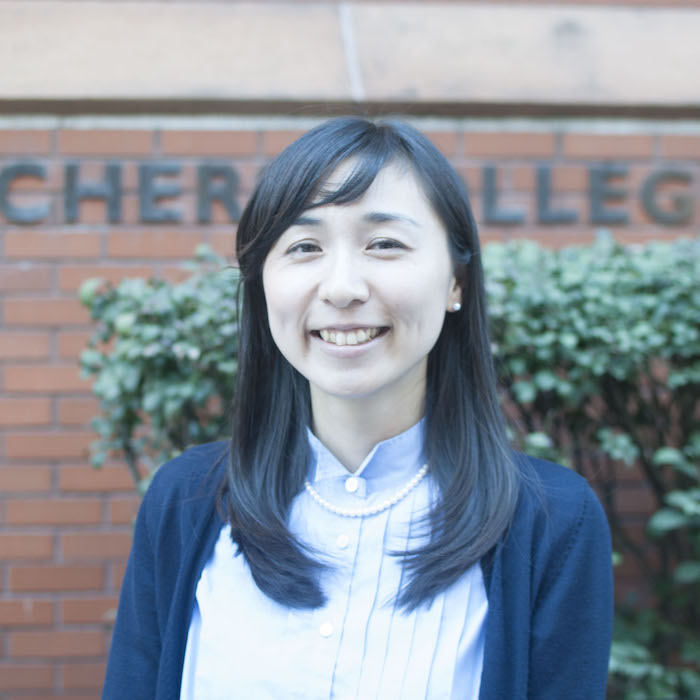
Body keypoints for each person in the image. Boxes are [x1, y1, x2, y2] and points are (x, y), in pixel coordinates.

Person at [102, 117, 613, 699]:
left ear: (456, 282)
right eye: (304, 247)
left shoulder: (552, 523)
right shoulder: (185, 502)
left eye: (385, 243)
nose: (341, 287)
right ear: (263, 283)